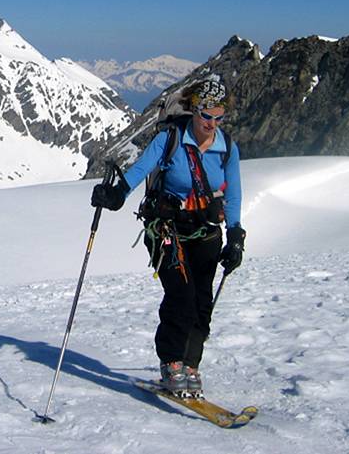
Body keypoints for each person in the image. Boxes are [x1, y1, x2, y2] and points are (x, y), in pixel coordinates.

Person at [91, 78, 245, 396]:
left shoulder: (227, 148)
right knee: (181, 294)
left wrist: (236, 235)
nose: (212, 123)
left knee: (202, 300)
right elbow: (138, 171)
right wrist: (116, 195)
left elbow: (233, 195)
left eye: (219, 117)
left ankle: (190, 364)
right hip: (165, 229)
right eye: (206, 115)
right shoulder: (171, 138)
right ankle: (171, 362)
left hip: (206, 233)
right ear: (195, 110)